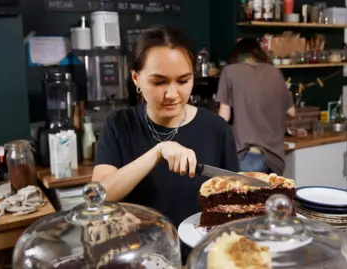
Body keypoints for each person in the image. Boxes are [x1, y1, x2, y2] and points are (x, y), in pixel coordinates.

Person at [92, 25, 239, 228]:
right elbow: (97, 196)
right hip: (141, 252)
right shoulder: (119, 125)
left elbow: (233, 202)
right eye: (159, 82)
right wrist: (157, 152)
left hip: (200, 253)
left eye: (183, 81)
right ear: (136, 78)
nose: (171, 94)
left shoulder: (216, 128)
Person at [216, 38, 295, 175]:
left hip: (248, 157)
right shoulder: (275, 72)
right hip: (275, 160)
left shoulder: (229, 71)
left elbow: (223, 117)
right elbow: (291, 112)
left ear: (236, 56)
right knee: (269, 197)